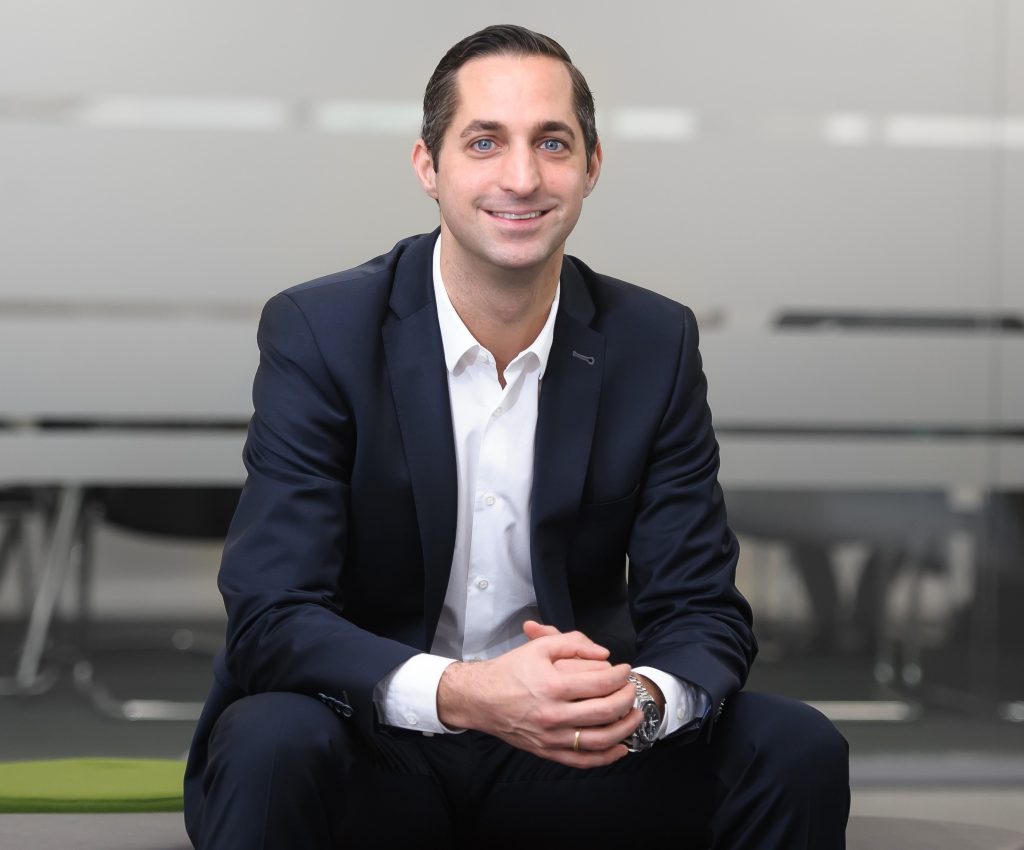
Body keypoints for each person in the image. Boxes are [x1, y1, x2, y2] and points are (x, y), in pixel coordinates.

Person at [183, 24, 849, 849]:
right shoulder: (322, 331)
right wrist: (468, 694)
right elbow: (273, 614)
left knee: (794, 748)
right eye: (485, 142)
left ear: (592, 166)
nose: (523, 177)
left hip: (571, 751)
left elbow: (700, 609)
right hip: (373, 735)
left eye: (553, 143)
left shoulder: (653, 342)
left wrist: (640, 705)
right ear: (429, 167)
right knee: (270, 744)